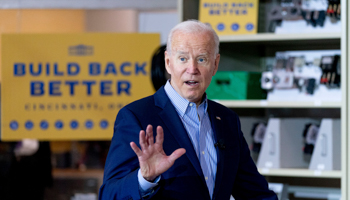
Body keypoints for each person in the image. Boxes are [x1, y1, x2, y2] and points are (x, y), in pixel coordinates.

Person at [99, 20, 277, 200]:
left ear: (215, 65)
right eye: (183, 58)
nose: (192, 69)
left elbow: (256, 194)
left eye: (202, 59)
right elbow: (108, 195)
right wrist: (145, 179)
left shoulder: (227, 119)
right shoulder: (136, 116)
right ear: (168, 63)